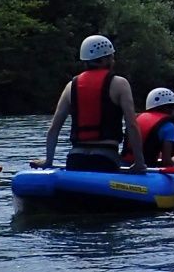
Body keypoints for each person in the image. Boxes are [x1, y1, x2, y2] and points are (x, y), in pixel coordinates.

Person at [41, 34, 146, 174]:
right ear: (106, 59)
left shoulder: (70, 86)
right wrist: (139, 163)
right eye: (112, 57)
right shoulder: (120, 84)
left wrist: (48, 161)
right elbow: (132, 125)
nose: (113, 60)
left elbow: (54, 128)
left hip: (75, 159)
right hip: (105, 158)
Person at [132, 88, 174, 170]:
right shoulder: (169, 126)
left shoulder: (136, 118)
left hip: (124, 164)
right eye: (173, 107)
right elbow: (166, 162)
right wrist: (173, 161)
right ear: (168, 108)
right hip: (146, 167)